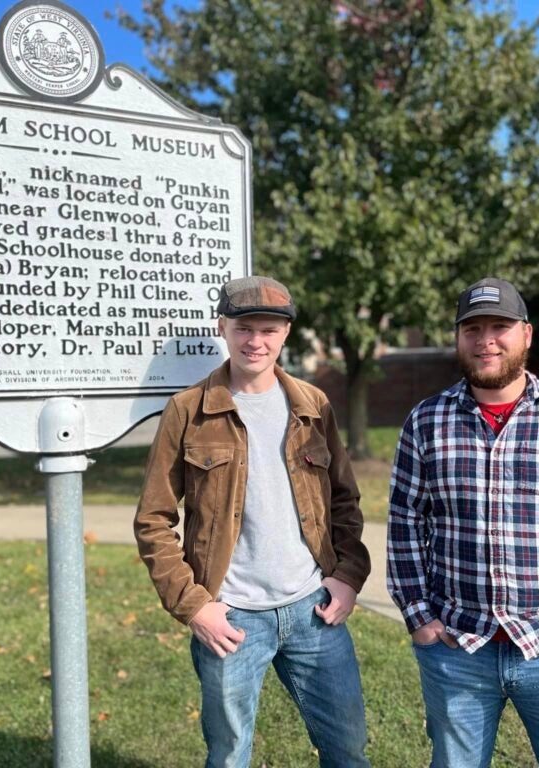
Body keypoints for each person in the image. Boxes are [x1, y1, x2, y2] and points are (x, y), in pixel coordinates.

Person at [387, 277, 539, 768]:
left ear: (526, 334)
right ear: (458, 338)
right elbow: (405, 523)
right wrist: (420, 618)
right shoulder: (426, 421)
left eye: (499, 326)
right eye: (472, 328)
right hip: (457, 648)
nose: (485, 341)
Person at [135, 275, 371, 768]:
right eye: (244, 328)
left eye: (269, 329)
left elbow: (345, 500)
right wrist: (194, 605)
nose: (255, 341)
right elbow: (154, 519)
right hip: (232, 616)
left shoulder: (314, 404)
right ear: (223, 327)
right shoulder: (187, 410)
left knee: (347, 749)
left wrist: (348, 576)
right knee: (229, 755)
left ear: (286, 334)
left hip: (314, 609)